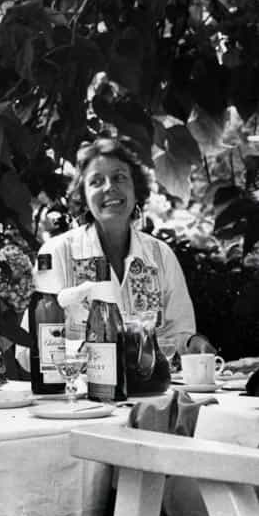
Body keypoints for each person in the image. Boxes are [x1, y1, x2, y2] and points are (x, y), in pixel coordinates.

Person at [18, 136, 213, 372]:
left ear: (136, 188)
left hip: (148, 394)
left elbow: (178, 336)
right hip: (82, 402)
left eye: (120, 177)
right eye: (96, 181)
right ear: (84, 196)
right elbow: (28, 353)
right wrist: (86, 355)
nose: (110, 187)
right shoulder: (56, 253)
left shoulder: (161, 255)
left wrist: (193, 345)